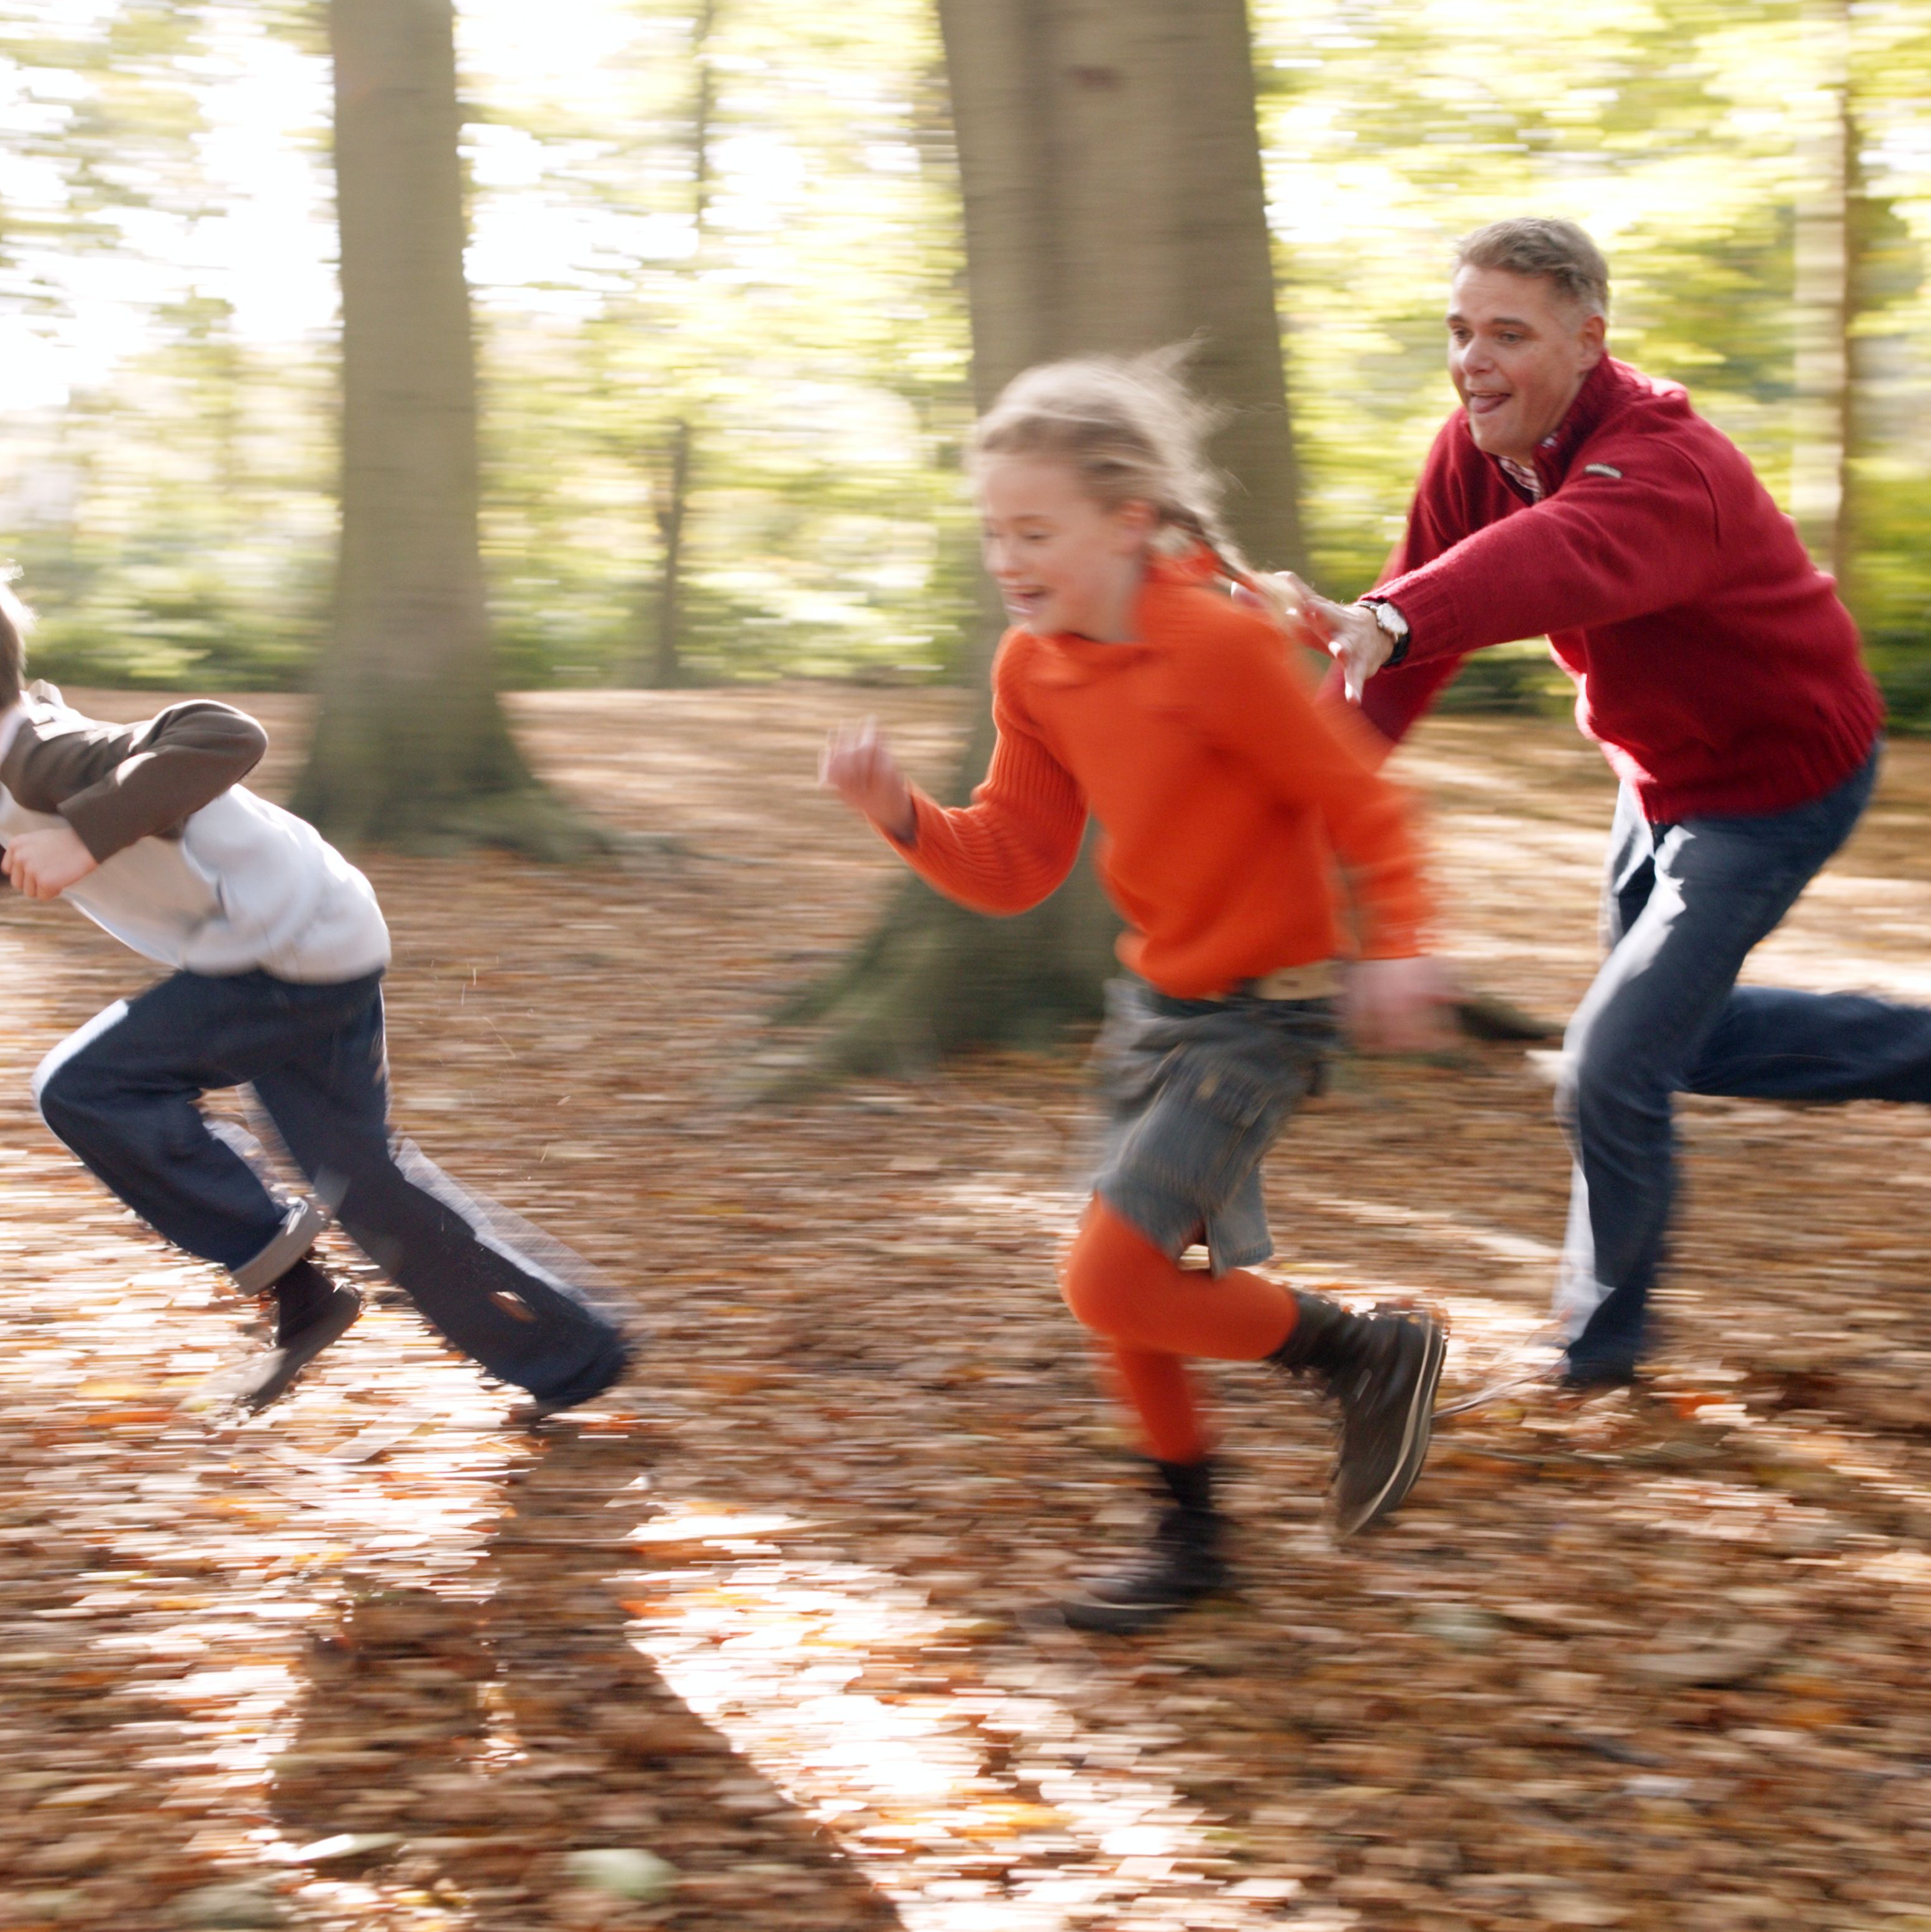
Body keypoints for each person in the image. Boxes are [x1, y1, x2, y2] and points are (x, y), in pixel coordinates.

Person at [820, 352, 1451, 1634]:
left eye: (1034, 528)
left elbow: (1359, 800)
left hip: (1263, 1013)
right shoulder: (1034, 667)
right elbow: (1014, 862)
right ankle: (1195, 1539)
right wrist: (903, 816)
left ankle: (1364, 1349)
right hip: (1154, 1007)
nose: (1009, 555)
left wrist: (1399, 939)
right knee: (1135, 1290)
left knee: (1106, 1278)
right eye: (995, 530)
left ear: (1126, 521)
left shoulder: (1212, 643)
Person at [1305, 216, 1931, 1394]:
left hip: (1775, 784)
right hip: (1656, 778)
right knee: (1662, 1046)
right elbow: (1402, 662)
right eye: (1458, 331)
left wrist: (1391, 616)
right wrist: (1298, 796)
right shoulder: (1473, 452)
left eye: (1507, 333)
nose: (1472, 361)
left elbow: (1557, 555)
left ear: (1589, 340)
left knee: (1609, 1062)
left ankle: (1597, 1358)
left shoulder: (1664, 465)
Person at [0, 555, 630, 1417]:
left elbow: (222, 735)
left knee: (85, 1085)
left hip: (285, 958)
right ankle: (572, 1355)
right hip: (313, 945)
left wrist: (83, 840)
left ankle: (294, 1280)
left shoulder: (55, 756)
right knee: (362, 1183)